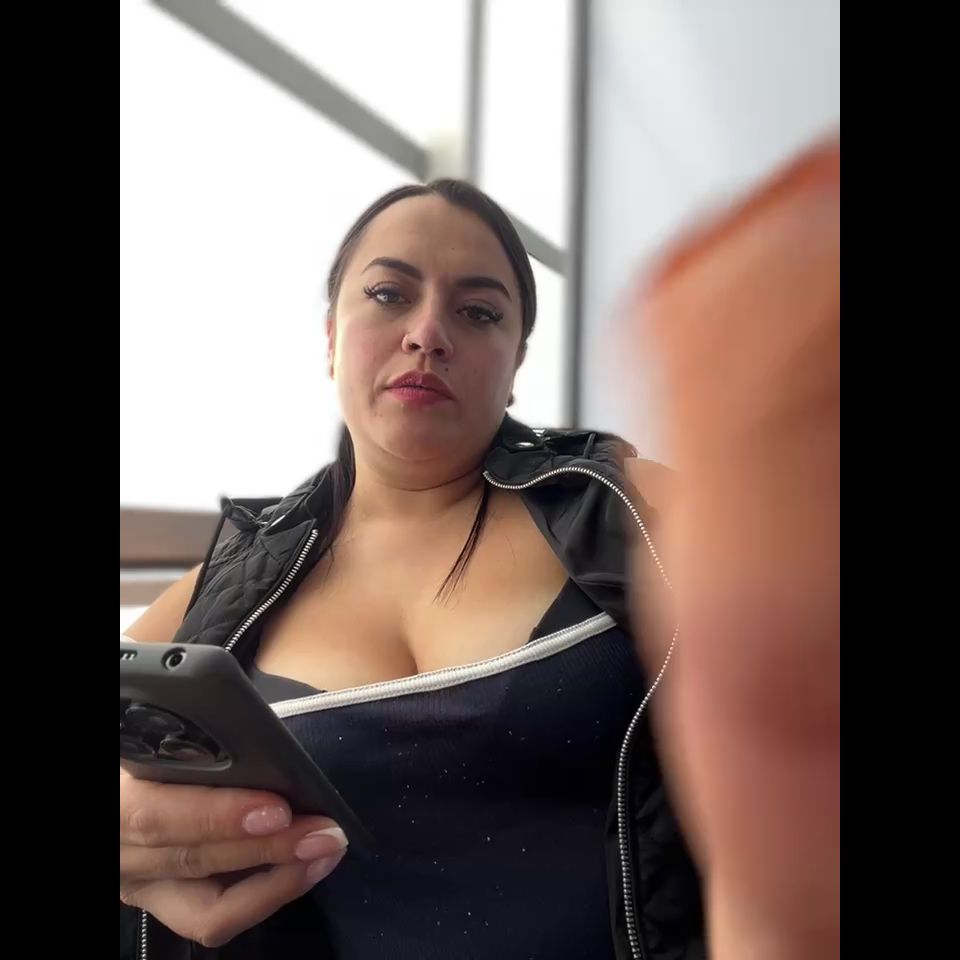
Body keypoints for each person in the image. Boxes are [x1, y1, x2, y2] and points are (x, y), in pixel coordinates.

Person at [121, 139, 839, 960]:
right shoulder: (230, 587)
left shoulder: (628, 507)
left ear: (516, 361)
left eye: (479, 312)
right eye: (389, 294)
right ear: (329, 337)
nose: (428, 334)